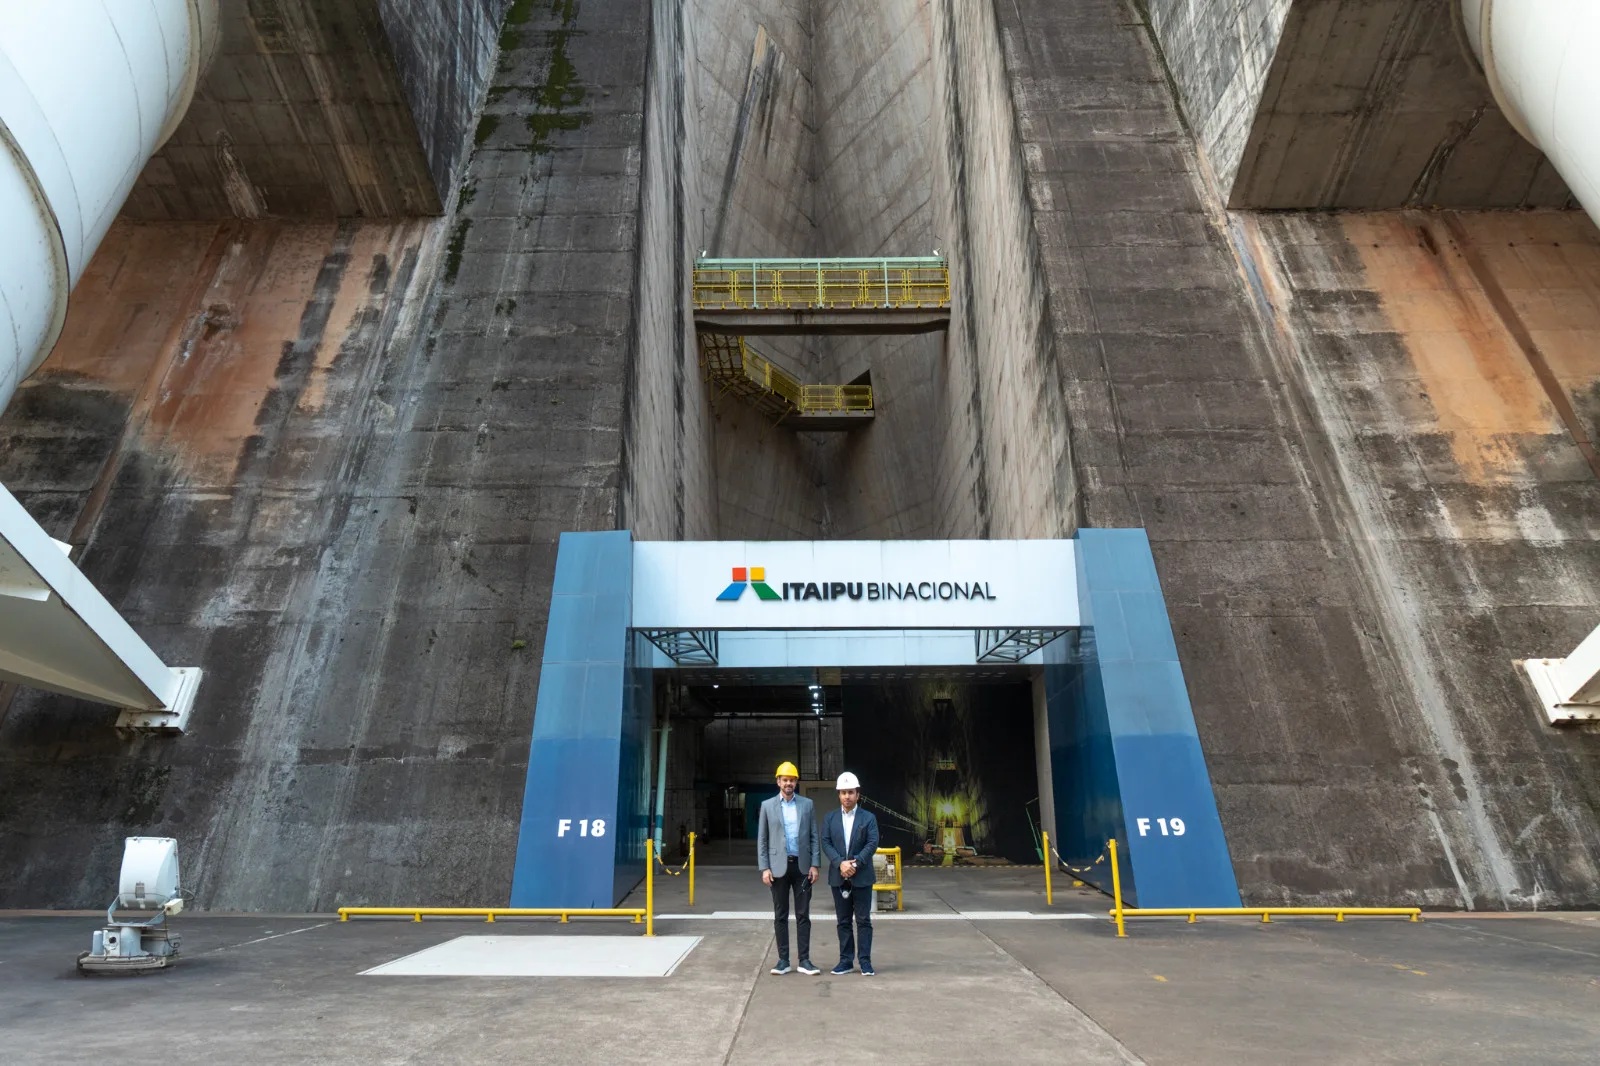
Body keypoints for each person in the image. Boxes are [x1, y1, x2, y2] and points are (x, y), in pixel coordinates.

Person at [756, 761, 820, 975]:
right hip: (777, 869)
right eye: (785, 780)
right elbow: (762, 839)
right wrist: (764, 868)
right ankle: (783, 960)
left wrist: (815, 864)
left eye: (792, 780)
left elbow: (813, 836)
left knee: (803, 914)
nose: (789, 783)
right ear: (778, 782)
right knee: (780, 914)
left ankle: (804, 960)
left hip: (802, 867)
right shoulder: (767, 806)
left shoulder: (807, 805)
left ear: (796, 782)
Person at [820, 771, 879, 975]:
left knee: (863, 921)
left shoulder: (868, 818)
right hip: (839, 877)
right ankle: (845, 961)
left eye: (851, 792)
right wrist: (840, 863)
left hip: (862, 877)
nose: (847, 796)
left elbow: (872, 842)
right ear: (838, 794)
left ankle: (865, 962)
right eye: (843, 792)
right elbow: (826, 842)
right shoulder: (830, 818)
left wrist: (856, 863)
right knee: (843, 921)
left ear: (858, 795)